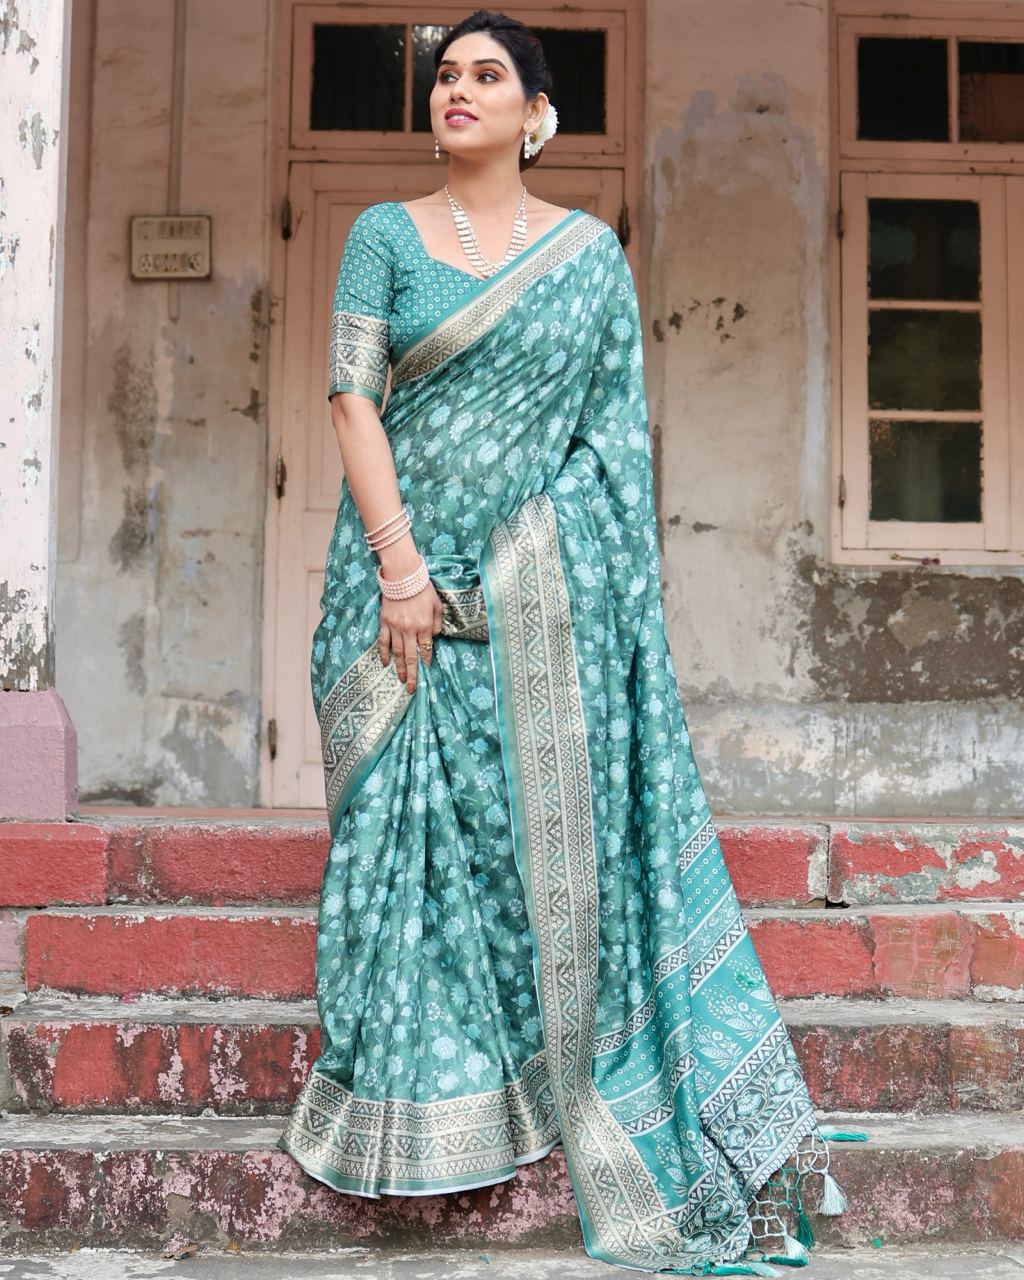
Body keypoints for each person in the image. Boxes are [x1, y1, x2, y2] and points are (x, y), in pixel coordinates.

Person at [277, 10, 863, 1274]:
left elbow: (607, 446)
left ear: (535, 112)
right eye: (445, 74)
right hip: (389, 591)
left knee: (510, 844)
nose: (457, 89)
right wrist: (402, 571)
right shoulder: (383, 235)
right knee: (397, 837)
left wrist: (519, 569)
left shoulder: (589, 257)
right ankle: (413, 1102)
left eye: (487, 74)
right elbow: (351, 400)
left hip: (532, 604)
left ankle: (532, 1086)